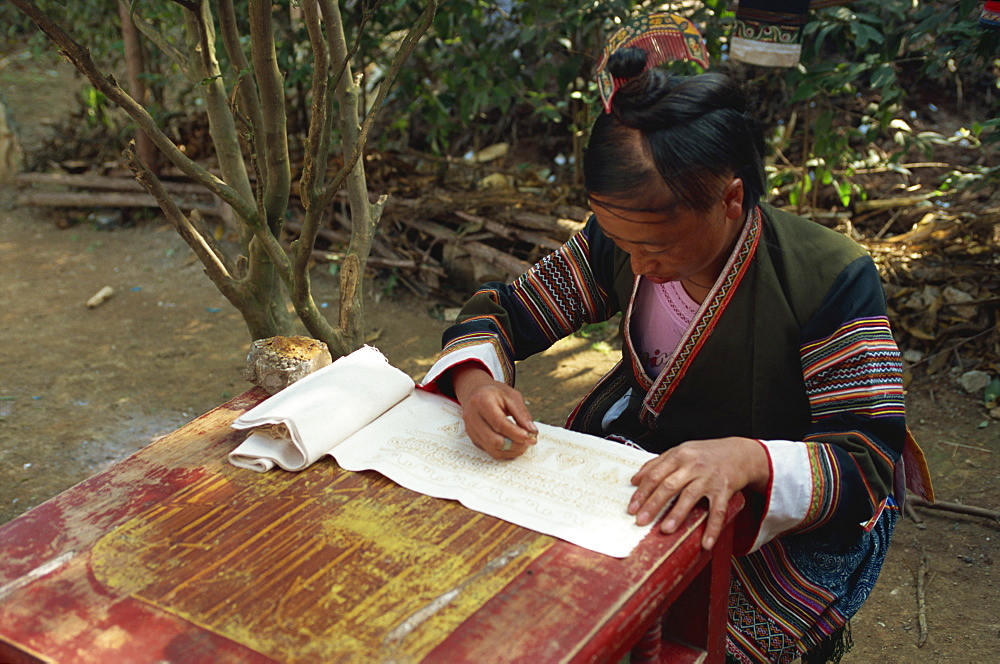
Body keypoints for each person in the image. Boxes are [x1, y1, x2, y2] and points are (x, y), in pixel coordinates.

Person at [420, 45, 930, 664]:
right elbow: (505, 311)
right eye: (619, 241)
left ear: (731, 201)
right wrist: (476, 384)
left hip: (776, 521)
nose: (638, 266)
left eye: (655, 246)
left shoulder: (828, 278)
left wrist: (747, 460)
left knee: (681, 639)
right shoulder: (625, 240)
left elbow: (866, 464)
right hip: (647, 470)